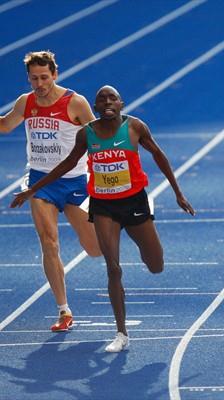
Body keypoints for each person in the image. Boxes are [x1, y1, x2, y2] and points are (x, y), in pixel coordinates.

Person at [11, 85, 195, 352]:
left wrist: (178, 193)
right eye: (101, 99)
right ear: (95, 108)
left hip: (134, 202)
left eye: (112, 98)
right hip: (103, 204)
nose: (107, 102)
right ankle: (121, 333)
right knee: (113, 268)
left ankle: (146, 247)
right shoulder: (88, 134)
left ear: (121, 103)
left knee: (155, 264)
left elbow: (158, 155)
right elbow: (65, 164)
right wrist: (33, 189)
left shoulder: (135, 127)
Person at [0, 50, 101, 332]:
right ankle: (64, 310)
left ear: (55, 75)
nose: (40, 83)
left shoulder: (75, 102)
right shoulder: (26, 102)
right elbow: (6, 126)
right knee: (49, 242)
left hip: (75, 182)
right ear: (29, 79)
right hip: (41, 182)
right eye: (34, 78)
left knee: (93, 249)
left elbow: (96, 138)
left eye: (45, 77)